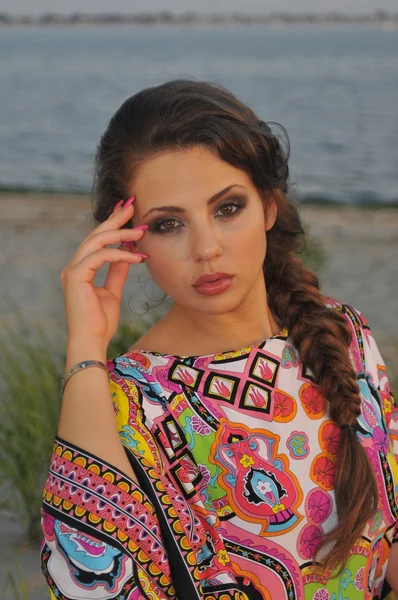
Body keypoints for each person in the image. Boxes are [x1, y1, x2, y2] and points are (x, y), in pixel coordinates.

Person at [40, 79, 398, 600]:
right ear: (127, 240)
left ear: (269, 208)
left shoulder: (344, 335)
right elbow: (90, 583)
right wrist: (86, 348)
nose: (206, 249)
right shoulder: (126, 399)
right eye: (167, 224)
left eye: (227, 208)